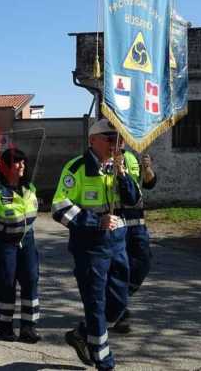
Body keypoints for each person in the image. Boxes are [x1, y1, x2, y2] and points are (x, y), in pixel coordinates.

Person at [51, 118, 141, 371]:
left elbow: (133, 200)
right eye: (110, 139)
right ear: (93, 140)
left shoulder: (117, 167)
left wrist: (123, 175)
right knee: (96, 304)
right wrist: (94, 221)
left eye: (118, 140)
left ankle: (81, 333)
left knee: (119, 301)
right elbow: (59, 206)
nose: (115, 145)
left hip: (118, 244)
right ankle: (103, 359)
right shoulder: (77, 167)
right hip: (90, 247)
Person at [0, 148, 41, 343]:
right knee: (6, 284)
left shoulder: (30, 189)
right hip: (3, 244)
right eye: (16, 163)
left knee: (30, 280)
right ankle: (4, 325)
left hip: (27, 242)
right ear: (6, 167)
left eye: (23, 162)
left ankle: (28, 327)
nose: (21, 166)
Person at [109, 148, 157, 334]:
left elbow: (149, 184)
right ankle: (120, 311)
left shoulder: (131, 156)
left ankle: (118, 300)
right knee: (118, 268)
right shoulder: (106, 157)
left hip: (137, 223)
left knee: (142, 264)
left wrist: (148, 169)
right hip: (117, 220)